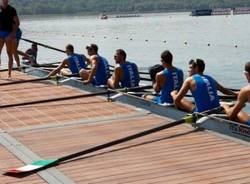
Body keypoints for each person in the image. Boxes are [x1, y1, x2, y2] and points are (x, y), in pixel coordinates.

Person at [171, 59, 237, 113]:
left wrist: (173, 93)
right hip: (217, 109)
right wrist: (236, 94)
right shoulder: (210, 78)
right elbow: (224, 91)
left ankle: (178, 114)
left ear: (196, 68)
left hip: (202, 113)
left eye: (190, 68)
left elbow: (177, 100)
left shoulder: (189, 80)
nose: (188, 70)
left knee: (175, 96)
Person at [0, 0, 20, 78]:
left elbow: (17, 23)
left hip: (9, 33)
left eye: (6, 0)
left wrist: (12, 34)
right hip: (0, 33)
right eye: (3, 0)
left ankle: (9, 74)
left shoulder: (12, 10)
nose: (4, 1)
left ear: (8, 1)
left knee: (9, 54)